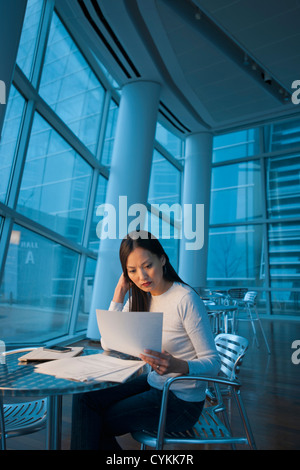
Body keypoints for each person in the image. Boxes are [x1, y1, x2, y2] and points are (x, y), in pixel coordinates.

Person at [71, 231, 221, 450]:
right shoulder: (141, 297)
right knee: (84, 399)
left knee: (95, 421)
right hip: (155, 384)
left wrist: (179, 365)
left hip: (181, 401)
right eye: (132, 271)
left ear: (162, 259)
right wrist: (119, 293)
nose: (141, 276)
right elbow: (108, 342)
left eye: (147, 265)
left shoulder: (185, 299)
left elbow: (214, 364)